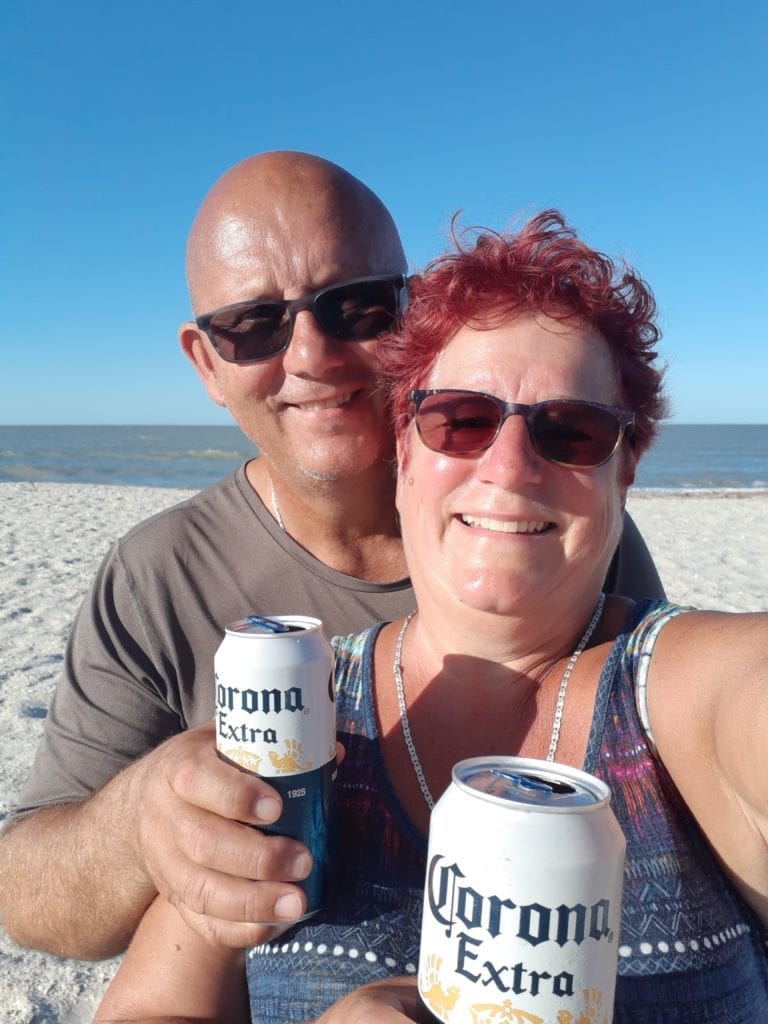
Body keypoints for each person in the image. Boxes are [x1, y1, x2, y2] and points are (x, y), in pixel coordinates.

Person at [94, 211, 767, 1024]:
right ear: (405, 449)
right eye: (463, 420)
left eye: (573, 432)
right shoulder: (299, 706)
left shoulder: (684, 690)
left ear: (626, 468)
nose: (510, 468)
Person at [0, 157, 663, 962]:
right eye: (252, 324)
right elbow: (27, 893)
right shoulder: (159, 574)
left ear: (412, 314)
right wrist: (144, 817)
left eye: (355, 305)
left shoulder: (544, 534)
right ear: (206, 361)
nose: (311, 354)